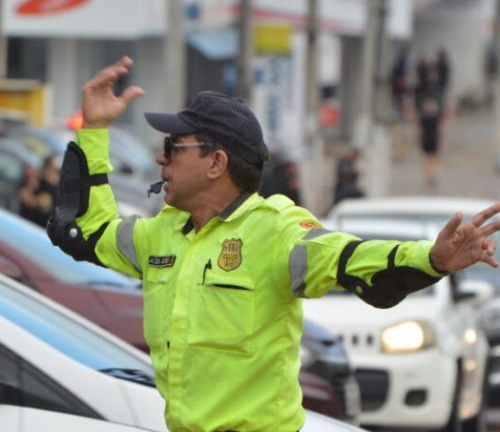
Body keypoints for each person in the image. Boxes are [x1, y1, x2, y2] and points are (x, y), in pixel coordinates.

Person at [47, 56, 500, 432]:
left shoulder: (277, 230)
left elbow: (351, 259)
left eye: (174, 145)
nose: (160, 158)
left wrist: (431, 259)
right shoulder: (162, 233)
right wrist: (94, 129)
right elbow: (86, 232)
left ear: (215, 162)